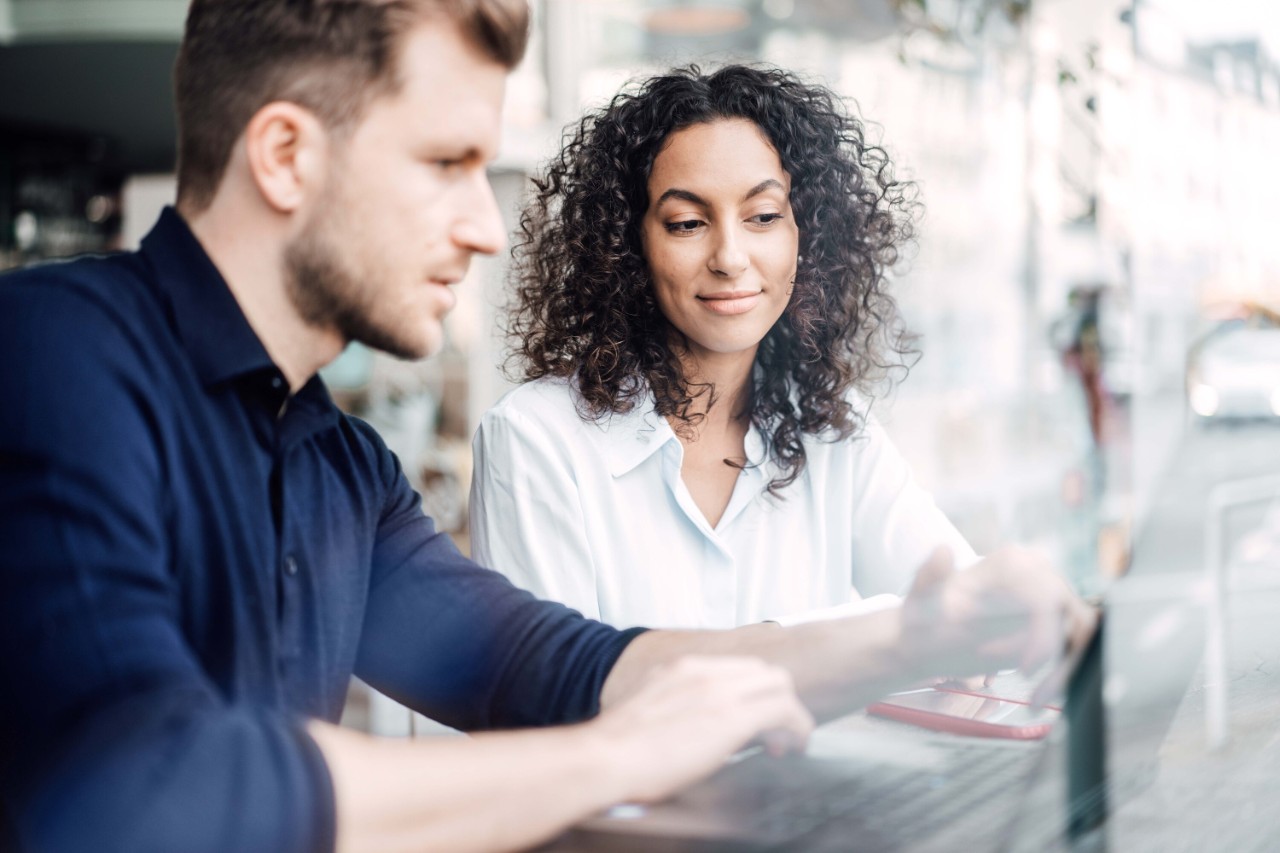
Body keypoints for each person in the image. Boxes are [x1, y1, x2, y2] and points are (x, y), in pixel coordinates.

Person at [0, 4, 1093, 852]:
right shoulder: (53, 355)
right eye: (444, 163)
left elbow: (549, 664)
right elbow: (151, 787)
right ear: (285, 155)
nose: (484, 225)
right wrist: (613, 756)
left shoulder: (336, 464)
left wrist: (915, 639)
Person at [471, 65, 972, 629]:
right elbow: (553, 694)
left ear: (806, 233)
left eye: (763, 216)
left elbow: (964, 605)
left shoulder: (832, 429)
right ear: (627, 245)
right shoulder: (536, 440)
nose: (730, 258)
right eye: (687, 223)